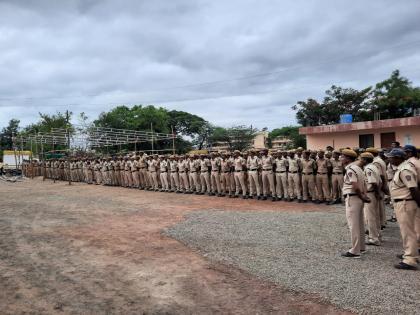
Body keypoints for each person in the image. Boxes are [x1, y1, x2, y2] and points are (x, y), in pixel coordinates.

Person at [387, 148, 420, 270]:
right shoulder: (402, 168)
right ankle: (411, 254)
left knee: (408, 232)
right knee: (408, 231)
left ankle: (410, 259)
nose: (389, 159)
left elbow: (413, 189)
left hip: (405, 203)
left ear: (398, 158)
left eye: (391, 157)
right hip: (403, 203)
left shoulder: (405, 169)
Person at [341, 149, 370, 259]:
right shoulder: (358, 167)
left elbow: (354, 184)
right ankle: (361, 247)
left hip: (353, 197)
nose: (341, 158)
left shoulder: (351, 169)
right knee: (359, 224)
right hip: (358, 198)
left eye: (342, 157)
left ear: (348, 158)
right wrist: (363, 195)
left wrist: (362, 195)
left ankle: (355, 251)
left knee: (353, 225)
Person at [363, 152, 382, 246]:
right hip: (374, 193)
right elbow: (380, 181)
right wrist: (378, 193)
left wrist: (377, 193)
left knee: (370, 217)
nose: (361, 160)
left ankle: (373, 238)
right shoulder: (374, 167)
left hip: (370, 193)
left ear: (365, 160)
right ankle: (378, 234)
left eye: (362, 159)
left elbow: (373, 182)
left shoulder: (368, 168)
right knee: (375, 215)